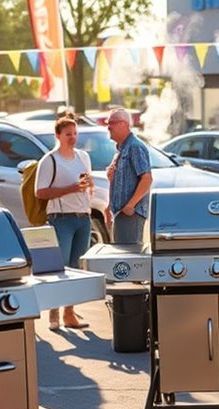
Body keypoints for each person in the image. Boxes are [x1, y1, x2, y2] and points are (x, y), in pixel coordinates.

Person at [36, 115, 94, 330]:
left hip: (83, 217)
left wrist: (89, 186)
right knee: (60, 268)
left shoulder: (83, 157)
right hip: (61, 219)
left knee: (77, 268)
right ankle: (54, 313)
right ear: (58, 135)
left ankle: (69, 313)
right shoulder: (50, 160)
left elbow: (86, 183)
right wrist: (71, 188)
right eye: (68, 134)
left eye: (75, 133)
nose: (73, 138)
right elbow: (40, 192)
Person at [105, 108, 152, 244]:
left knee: (128, 260)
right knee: (122, 257)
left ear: (124, 124)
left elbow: (147, 179)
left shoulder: (134, 147)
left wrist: (130, 205)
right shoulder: (121, 149)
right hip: (121, 214)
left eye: (112, 123)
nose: (108, 127)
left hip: (130, 215)